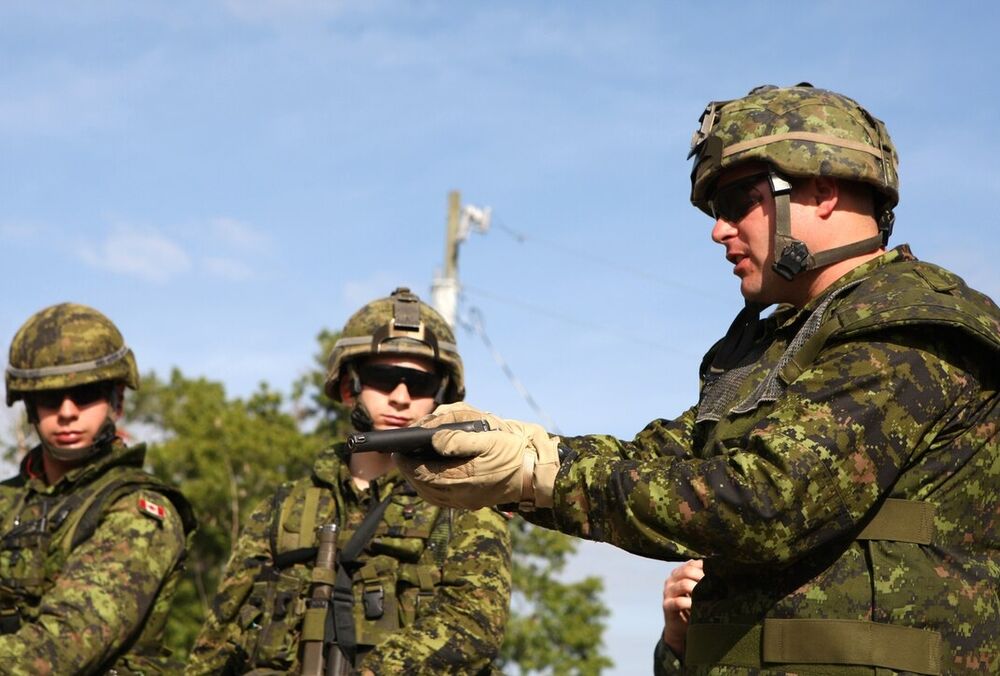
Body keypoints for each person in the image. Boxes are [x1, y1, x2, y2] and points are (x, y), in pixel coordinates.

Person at [395, 84, 1000, 674]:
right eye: (716, 211)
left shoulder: (908, 323)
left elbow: (764, 499)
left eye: (739, 202)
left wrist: (541, 475)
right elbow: (662, 459)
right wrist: (515, 457)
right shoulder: (771, 347)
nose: (719, 230)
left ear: (820, 189)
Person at [187, 287, 512, 675]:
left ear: (441, 400)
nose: (401, 397)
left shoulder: (466, 504)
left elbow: (474, 627)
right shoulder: (282, 510)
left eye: (420, 384)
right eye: (383, 378)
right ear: (348, 387)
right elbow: (217, 644)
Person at [0, 302, 196, 674]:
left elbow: (66, 644)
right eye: (50, 397)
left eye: (86, 393)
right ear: (29, 405)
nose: (68, 411)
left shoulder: (139, 511)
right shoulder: (8, 502)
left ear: (116, 400)